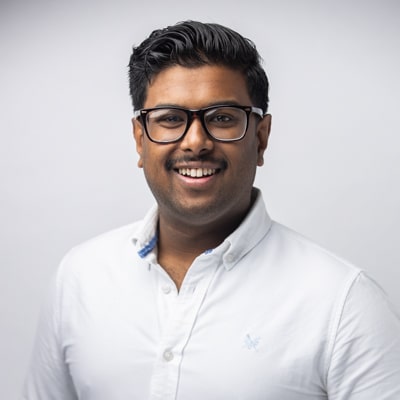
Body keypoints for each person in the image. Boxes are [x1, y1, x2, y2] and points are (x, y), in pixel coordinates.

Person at [23, 20, 400, 400]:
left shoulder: (343, 303)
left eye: (222, 118)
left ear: (261, 137)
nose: (196, 142)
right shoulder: (79, 278)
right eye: (170, 118)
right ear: (140, 140)